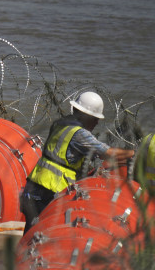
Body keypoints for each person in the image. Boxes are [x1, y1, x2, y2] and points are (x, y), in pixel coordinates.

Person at [20, 92, 135, 233]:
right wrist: (135, 154)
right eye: (95, 118)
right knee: (44, 237)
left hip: (33, 189)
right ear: (85, 115)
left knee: (31, 237)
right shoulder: (80, 134)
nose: (97, 122)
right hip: (47, 193)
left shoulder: (61, 125)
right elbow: (107, 153)